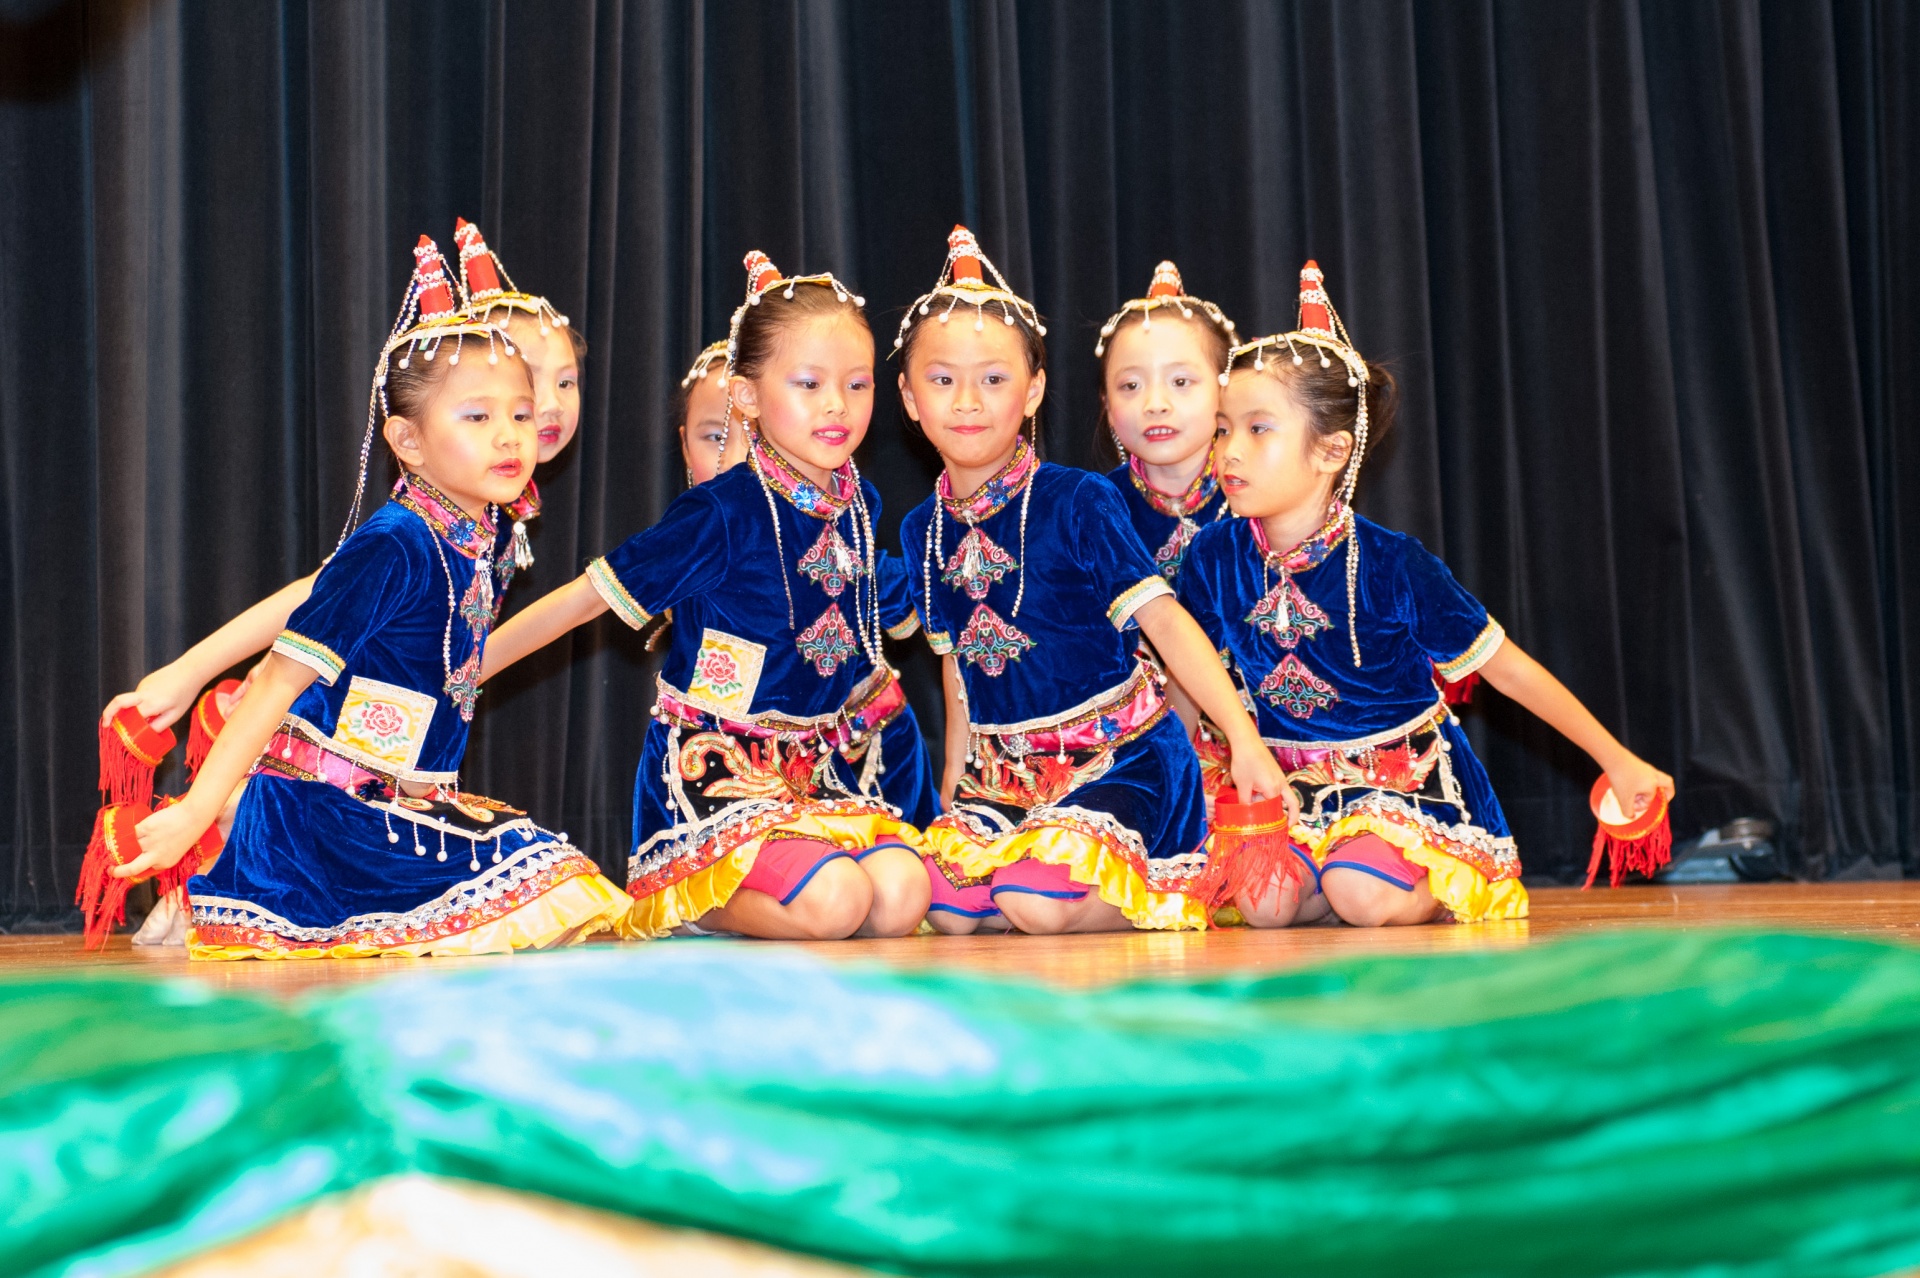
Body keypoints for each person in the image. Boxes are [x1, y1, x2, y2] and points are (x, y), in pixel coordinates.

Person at [109, 235, 631, 956]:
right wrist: (196, 800)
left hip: (396, 798)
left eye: (528, 406)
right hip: (332, 806)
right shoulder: (397, 540)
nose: (521, 427)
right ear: (407, 441)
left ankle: (226, 870)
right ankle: (231, 861)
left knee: (563, 886)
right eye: (480, 415)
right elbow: (287, 664)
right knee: (551, 893)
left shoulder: (482, 531)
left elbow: (461, 660)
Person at [1181, 261, 1676, 926]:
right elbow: (1188, 677)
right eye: (1222, 428)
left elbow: (1507, 670)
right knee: (1262, 906)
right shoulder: (1212, 556)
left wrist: (1618, 761)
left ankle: (1426, 878)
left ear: (1331, 452)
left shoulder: (1393, 564)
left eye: (1257, 428)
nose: (1229, 450)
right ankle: (1338, 873)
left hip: (1400, 783)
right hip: (1287, 787)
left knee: (1361, 897)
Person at [479, 252, 935, 940]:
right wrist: (465, 670)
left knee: (903, 894)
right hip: (717, 773)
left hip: (815, 775)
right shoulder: (721, 512)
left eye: (857, 384)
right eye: (809, 383)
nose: (837, 406)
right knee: (838, 901)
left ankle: (797, 900)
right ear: (747, 397)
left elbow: (912, 610)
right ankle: (684, 900)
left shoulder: (858, 507)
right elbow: (586, 597)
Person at [897, 227, 1295, 936]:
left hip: (1119, 762)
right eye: (942, 380)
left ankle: (1156, 876)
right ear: (907, 396)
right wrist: (956, 784)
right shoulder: (920, 529)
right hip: (1008, 777)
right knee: (946, 910)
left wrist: (1242, 739)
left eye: (993, 379)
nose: (967, 402)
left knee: (1031, 900)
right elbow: (956, 671)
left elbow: (1166, 622)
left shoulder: (1078, 499)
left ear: (1034, 391)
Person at [1095, 260, 1239, 746]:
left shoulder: (1262, 496)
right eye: (1130, 386)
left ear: (1225, 388)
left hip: (1266, 735)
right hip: (1133, 737)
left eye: (1180, 382)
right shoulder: (1093, 509)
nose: (1154, 403)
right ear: (1106, 405)